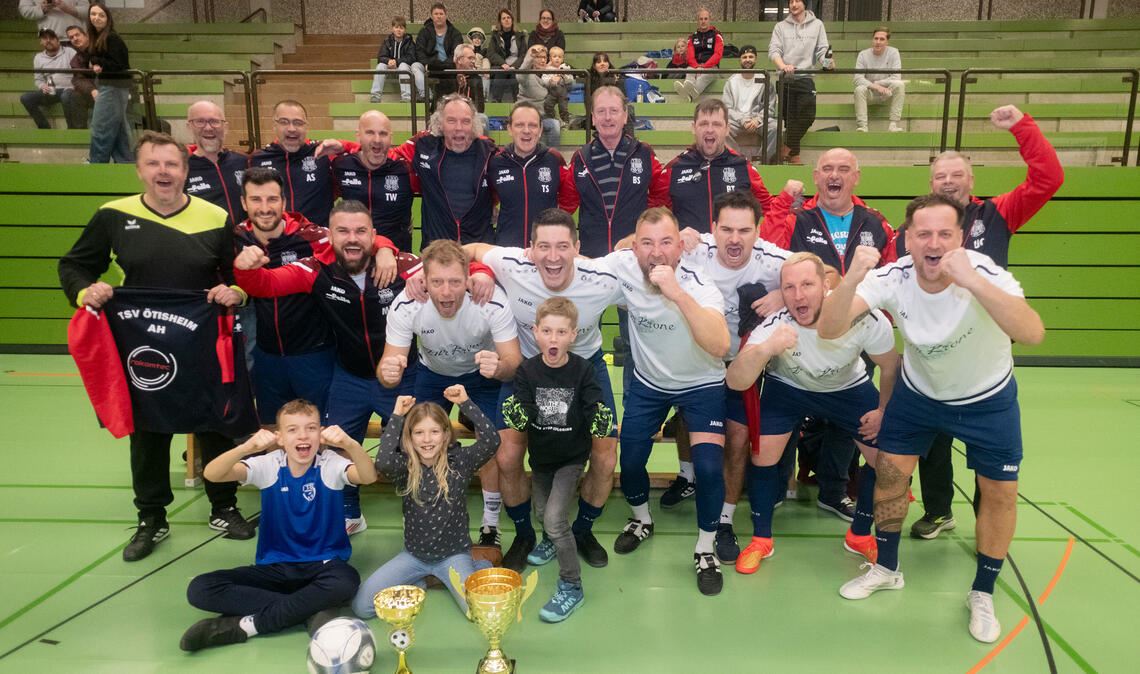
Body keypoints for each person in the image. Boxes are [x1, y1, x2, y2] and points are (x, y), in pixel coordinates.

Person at [820, 194, 1046, 644]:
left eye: (945, 233)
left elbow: (1033, 332)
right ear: (908, 239)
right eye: (923, 233)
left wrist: (974, 282)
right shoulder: (893, 276)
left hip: (987, 397)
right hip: (919, 395)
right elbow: (828, 328)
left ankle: (982, 590)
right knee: (889, 477)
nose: (934, 242)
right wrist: (852, 278)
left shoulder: (986, 274)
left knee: (999, 493)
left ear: (961, 239)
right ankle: (886, 567)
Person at [58, 131, 257, 562]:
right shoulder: (113, 215)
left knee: (215, 421)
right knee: (148, 429)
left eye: (171, 165)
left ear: (185, 171)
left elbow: (236, 274)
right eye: (154, 164)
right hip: (140, 339)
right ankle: (151, 517)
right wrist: (84, 291)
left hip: (202, 337)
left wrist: (235, 293)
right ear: (140, 169)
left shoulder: (215, 217)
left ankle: (223, 506)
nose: (163, 172)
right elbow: (74, 265)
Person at [900, 104, 1063, 541]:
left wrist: (1023, 127)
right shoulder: (920, 225)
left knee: (985, 443)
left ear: (971, 181)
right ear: (930, 183)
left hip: (985, 348)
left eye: (956, 175)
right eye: (940, 177)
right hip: (933, 350)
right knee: (932, 439)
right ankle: (938, 511)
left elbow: (1049, 180)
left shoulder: (998, 213)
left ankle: (986, 520)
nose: (948, 182)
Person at [232, 199, 410, 536]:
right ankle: (350, 513)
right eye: (343, 231)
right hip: (349, 377)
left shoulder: (404, 265)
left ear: (374, 235)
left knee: (412, 445)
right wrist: (244, 269)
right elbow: (264, 285)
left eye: (361, 231)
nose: (352, 238)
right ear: (331, 237)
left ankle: (416, 506)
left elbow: (459, 268)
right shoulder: (315, 269)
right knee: (336, 442)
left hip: (402, 375)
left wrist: (482, 276)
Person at [464, 209, 623, 571]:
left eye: (563, 247)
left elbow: (641, 261)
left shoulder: (601, 278)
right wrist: (480, 271)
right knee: (506, 457)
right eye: (544, 247)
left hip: (585, 370)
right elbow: (470, 249)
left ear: (577, 248)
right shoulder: (511, 263)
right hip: (527, 372)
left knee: (605, 456)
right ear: (530, 249)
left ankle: (581, 529)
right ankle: (524, 534)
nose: (553, 257)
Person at [726, 251, 899, 574]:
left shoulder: (863, 317)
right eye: (788, 287)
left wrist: (883, 410)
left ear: (826, 286)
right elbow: (736, 380)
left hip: (848, 388)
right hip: (788, 388)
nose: (798, 295)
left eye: (807, 284)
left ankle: (860, 534)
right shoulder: (776, 324)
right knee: (763, 455)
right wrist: (766, 348)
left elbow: (890, 367)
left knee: (886, 459)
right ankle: (762, 539)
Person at [603, 207, 732, 596]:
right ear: (634, 248)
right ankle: (642, 520)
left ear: (680, 248)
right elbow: (579, 272)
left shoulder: (700, 284)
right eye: (647, 243)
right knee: (630, 458)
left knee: (709, 468)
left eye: (665, 243)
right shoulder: (623, 268)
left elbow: (720, 345)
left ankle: (705, 547)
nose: (656, 252)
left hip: (703, 382)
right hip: (649, 382)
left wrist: (675, 292)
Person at [763, 147, 896, 519]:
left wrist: (880, 314)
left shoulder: (876, 223)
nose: (834, 175)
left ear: (856, 176)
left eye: (843, 169)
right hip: (799, 333)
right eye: (826, 169)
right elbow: (768, 245)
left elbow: (893, 272)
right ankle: (776, 484)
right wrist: (783, 200)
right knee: (785, 408)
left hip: (855, 335)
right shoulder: (798, 219)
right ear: (816, 177)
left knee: (845, 418)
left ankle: (833, 490)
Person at [179, 401, 376, 651]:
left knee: (346, 582)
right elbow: (213, 474)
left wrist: (350, 444)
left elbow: (368, 477)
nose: (303, 435)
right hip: (275, 569)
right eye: (292, 430)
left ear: (321, 434)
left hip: (324, 567)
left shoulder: (330, 463)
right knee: (200, 588)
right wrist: (246, 447)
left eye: (311, 428)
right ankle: (309, 610)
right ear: (280, 438)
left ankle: (247, 625)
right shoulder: (269, 465)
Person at [665, 191, 791, 563]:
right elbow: (634, 246)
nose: (735, 239)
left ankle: (724, 519)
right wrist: (677, 237)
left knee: (735, 439)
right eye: (727, 230)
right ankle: (688, 477)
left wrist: (784, 292)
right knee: (687, 421)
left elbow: (826, 274)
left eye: (744, 231)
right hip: (698, 359)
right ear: (713, 229)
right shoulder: (695, 248)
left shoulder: (772, 259)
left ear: (757, 231)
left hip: (743, 363)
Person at [379, 239, 523, 546]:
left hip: (482, 374)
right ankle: (421, 510)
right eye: (438, 282)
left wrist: (498, 368)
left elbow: (513, 362)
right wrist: (388, 373)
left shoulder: (491, 300)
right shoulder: (408, 303)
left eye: (455, 282)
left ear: (469, 280)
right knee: (417, 437)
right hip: (432, 374)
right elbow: (387, 369)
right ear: (424, 281)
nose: (446, 292)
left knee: (492, 445)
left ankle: (490, 524)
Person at [501, 298, 613, 622]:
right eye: (547, 331)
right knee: (540, 511)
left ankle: (571, 585)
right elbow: (521, 404)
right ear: (535, 332)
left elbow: (593, 404)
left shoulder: (583, 370)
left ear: (573, 335)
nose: (553, 338)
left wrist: (598, 418)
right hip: (541, 459)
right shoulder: (527, 369)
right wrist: (518, 413)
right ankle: (551, 542)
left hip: (570, 460)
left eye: (561, 332)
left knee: (553, 520)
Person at [351, 386, 500, 617]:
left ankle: (476, 567)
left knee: (478, 613)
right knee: (363, 607)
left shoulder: (460, 461)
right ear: (409, 437)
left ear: (446, 434)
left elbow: (492, 440)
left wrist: (465, 402)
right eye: (419, 433)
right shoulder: (406, 466)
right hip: (413, 557)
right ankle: (422, 579)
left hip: (454, 555)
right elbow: (382, 462)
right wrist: (397, 416)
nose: (427, 440)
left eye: (434, 432)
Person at [233, 167, 338, 423]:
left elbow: (358, 241)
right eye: (256, 200)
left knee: (321, 430)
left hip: (314, 354)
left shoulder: (311, 237)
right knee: (271, 430)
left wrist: (383, 250)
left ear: (284, 201)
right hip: (266, 357)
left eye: (272, 199)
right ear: (244, 203)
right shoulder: (234, 239)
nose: (265, 208)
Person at [563, 85, 669, 258]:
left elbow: (662, 195)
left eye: (614, 111)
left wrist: (641, 222)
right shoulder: (580, 159)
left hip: (635, 256)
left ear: (625, 116)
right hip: (592, 258)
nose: (607, 117)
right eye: (601, 111)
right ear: (593, 118)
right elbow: (565, 208)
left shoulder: (643, 154)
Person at [661, 98, 789, 233]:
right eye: (704, 124)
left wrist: (788, 200)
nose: (710, 130)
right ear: (694, 128)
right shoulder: (674, 167)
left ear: (727, 129)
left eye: (717, 124)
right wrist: (674, 235)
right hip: (689, 252)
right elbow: (652, 210)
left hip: (731, 251)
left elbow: (769, 209)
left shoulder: (743, 167)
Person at [392, 94, 498, 247]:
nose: (458, 128)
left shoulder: (489, 151)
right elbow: (383, 155)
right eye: (451, 121)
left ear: (474, 124)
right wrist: (348, 147)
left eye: (465, 121)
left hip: (480, 251)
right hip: (436, 251)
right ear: (440, 123)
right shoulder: (423, 145)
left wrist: (493, 202)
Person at [250, 100, 352, 227]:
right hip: (276, 241)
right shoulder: (257, 159)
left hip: (318, 242)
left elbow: (368, 153)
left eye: (298, 123)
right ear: (274, 125)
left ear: (306, 126)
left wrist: (344, 146)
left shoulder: (323, 153)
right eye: (284, 122)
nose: (291, 128)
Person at [489, 103, 573, 247]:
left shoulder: (554, 159)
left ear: (540, 130)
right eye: (519, 125)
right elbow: (488, 198)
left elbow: (569, 197)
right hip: (507, 249)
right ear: (509, 129)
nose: (526, 131)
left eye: (533, 125)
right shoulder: (496, 162)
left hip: (546, 251)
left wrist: (556, 224)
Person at [332, 110, 417, 252]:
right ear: (358, 135)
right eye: (370, 132)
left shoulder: (405, 168)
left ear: (391, 137)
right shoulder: (341, 165)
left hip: (396, 256)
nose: (377, 139)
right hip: (355, 254)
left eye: (383, 133)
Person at [768, 0, 832, 165]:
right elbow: (774, 51)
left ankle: (784, 150)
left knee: (807, 116)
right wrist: (783, 66)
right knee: (790, 121)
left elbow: (822, 50)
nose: (793, 4)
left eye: (797, 1)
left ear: (805, 4)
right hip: (785, 77)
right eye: (791, 2)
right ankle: (794, 157)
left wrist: (827, 63)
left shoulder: (817, 25)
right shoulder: (780, 27)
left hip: (806, 77)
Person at [184, 100, 247, 225]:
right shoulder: (181, 170)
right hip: (206, 243)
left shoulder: (243, 162)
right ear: (189, 127)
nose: (208, 128)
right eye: (200, 121)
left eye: (214, 121)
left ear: (226, 127)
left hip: (245, 242)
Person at [86, 2, 133, 163]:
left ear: (108, 19)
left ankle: (97, 165)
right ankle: (127, 164)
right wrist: (96, 61)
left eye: (101, 15)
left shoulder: (112, 38)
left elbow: (120, 66)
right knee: (119, 132)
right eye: (93, 14)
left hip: (113, 87)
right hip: (112, 87)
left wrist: (99, 63)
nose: (96, 18)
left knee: (101, 128)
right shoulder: (98, 37)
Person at [722, 45, 778, 161]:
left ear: (756, 59)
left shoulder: (764, 79)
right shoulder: (731, 81)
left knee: (775, 127)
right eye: (744, 57)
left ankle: (762, 160)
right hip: (737, 120)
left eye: (751, 57)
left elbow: (770, 107)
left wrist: (758, 119)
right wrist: (741, 119)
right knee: (721, 129)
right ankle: (737, 160)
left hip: (757, 120)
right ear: (740, 60)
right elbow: (727, 108)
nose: (748, 59)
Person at [21, 28, 84, 130]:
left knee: (66, 95)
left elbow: (79, 72)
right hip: (52, 91)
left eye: (51, 38)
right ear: (41, 42)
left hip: (69, 90)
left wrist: (75, 86)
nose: (48, 40)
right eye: (45, 38)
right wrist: (42, 86)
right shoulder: (38, 58)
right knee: (26, 98)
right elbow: (38, 79)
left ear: (58, 40)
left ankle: (71, 129)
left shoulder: (70, 52)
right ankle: (44, 128)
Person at [854, 27, 905, 133]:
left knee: (900, 84)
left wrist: (878, 83)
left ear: (887, 41)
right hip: (870, 93)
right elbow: (857, 78)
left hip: (887, 93)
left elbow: (896, 77)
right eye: (876, 38)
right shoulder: (863, 54)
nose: (878, 42)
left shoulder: (894, 52)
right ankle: (863, 126)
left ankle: (893, 124)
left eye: (882, 39)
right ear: (872, 40)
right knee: (859, 89)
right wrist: (875, 87)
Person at [414, 2, 465, 103]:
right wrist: (428, 64)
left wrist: (444, 64)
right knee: (415, 66)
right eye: (436, 14)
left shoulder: (455, 33)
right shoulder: (424, 32)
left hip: (449, 67)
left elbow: (457, 53)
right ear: (432, 16)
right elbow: (419, 52)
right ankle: (426, 94)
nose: (439, 16)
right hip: (429, 66)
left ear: (446, 15)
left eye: (441, 14)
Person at [673, 8, 723, 102]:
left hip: (711, 67)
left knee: (705, 75)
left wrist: (704, 66)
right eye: (701, 19)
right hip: (695, 66)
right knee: (689, 70)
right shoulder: (692, 37)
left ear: (709, 20)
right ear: (697, 21)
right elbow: (690, 56)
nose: (703, 21)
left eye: (705, 19)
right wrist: (696, 66)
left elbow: (718, 55)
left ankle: (690, 94)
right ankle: (690, 95)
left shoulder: (717, 35)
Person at [371, 15, 425, 104]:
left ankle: (406, 97)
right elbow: (381, 57)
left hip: (404, 68)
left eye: (401, 28)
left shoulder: (409, 41)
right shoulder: (387, 41)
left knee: (403, 65)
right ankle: (375, 96)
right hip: (390, 66)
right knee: (380, 65)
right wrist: (388, 61)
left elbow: (412, 58)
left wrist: (397, 62)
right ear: (392, 29)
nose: (399, 30)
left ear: (405, 30)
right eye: (396, 27)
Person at [516, 45, 561, 147]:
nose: (542, 60)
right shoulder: (527, 76)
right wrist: (530, 56)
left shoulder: (549, 74)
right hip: (526, 117)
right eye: (538, 57)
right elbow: (520, 75)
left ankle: (553, 158)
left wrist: (559, 79)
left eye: (544, 57)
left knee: (554, 125)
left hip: (543, 117)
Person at [433, 43, 486, 113]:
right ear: (459, 60)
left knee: (483, 118)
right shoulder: (445, 75)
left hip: (469, 116)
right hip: (448, 114)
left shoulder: (476, 79)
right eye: (470, 58)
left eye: (474, 58)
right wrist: (457, 82)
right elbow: (440, 105)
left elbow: (480, 108)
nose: (473, 61)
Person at [488, 8, 527, 102]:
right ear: (500, 22)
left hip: (516, 66)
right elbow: (491, 53)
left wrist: (514, 66)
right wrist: (503, 64)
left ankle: (518, 103)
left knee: (515, 76)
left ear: (512, 20)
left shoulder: (520, 36)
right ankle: (496, 103)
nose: (506, 20)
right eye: (503, 18)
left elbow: (523, 55)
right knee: (500, 74)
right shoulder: (495, 36)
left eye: (508, 17)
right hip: (501, 66)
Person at [18, 0, 88, 43]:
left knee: (78, 66)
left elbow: (88, 10)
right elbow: (24, 10)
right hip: (49, 39)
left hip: (76, 38)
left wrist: (68, 9)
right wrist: (42, 9)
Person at [65, 24, 95, 116]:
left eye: (77, 35)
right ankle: (79, 129)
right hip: (93, 92)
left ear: (85, 35)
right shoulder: (75, 60)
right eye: (71, 37)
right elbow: (78, 80)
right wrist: (92, 90)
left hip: (111, 88)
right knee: (72, 95)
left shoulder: (99, 48)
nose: (75, 38)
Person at [543, 46, 573, 125]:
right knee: (547, 105)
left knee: (563, 108)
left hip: (563, 94)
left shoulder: (565, 68)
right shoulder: (547, 69)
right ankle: (553, 119)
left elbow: (571, 80)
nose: (557, 59)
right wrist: (550, 80)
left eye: (559, 57)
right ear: (550, 58)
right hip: (551, 93)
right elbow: (543, 80)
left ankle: (566, 123)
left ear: (563, 59)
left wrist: (564, 76)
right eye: (554, 56)